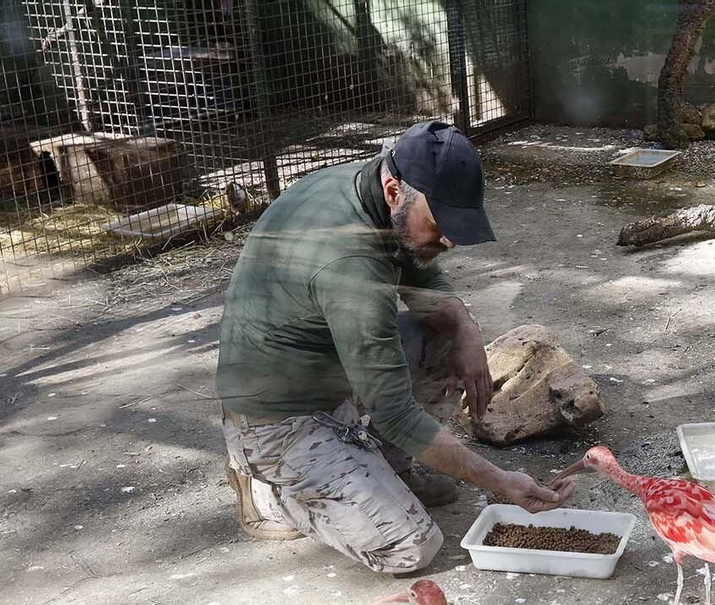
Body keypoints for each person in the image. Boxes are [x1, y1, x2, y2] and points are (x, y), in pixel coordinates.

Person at [215, 120, 573, 573]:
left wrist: (467, 329)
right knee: (409, 547)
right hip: (277, 418)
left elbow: (421, 273)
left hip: (327, 369)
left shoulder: (371, 190)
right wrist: (502, 481)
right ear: (393, 191)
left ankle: (390, 468)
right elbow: (395, 412)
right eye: (440, 223)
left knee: (445, 329)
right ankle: (267, 492)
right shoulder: (350, 266)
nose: (450, 240)